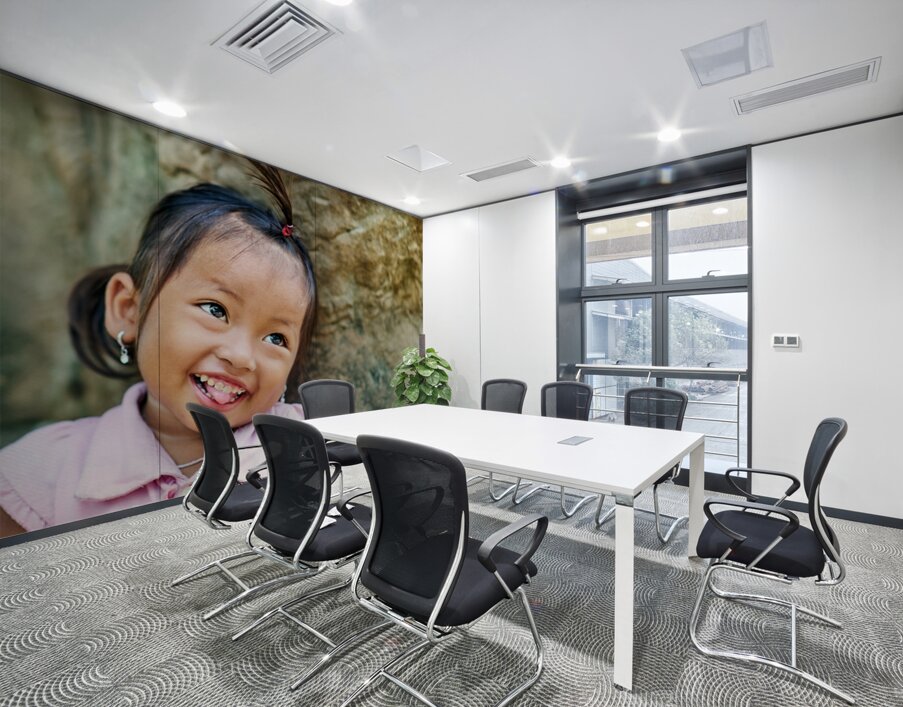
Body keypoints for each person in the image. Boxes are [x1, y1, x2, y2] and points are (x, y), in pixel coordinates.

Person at [0, 165, 317, 538]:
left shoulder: (307, 447)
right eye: (216, 310)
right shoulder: (41, 469)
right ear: (129, 310)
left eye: (276, 338)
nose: (242, 357)